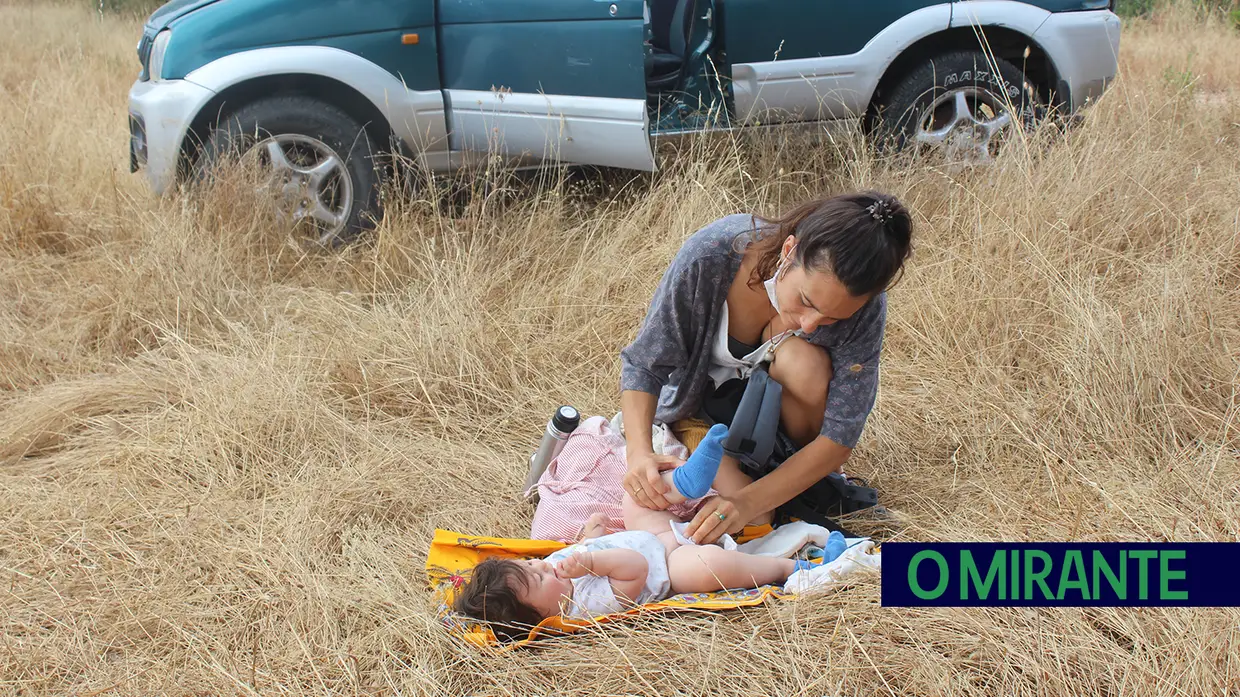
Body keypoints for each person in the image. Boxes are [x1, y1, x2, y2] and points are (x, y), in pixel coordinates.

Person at [618, 191, 914, 545]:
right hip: (703, 415)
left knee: (803, 361)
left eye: (834, 318)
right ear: (789, 251)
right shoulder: (713, 255)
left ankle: (790, 475)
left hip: (785, 432)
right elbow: (644, 363)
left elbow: (839, 436)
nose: (809, 325)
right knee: (759, 517)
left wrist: (744, 502)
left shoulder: (866, 307)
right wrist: (638, 453)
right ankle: (775, 486)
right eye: (806, 301)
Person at [452, 424, 846, 642]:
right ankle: (781, 570)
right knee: (705, 567)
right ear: (544, 617)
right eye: (537, 578)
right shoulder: (586, 606)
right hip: (667, 562)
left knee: (633, 497)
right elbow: (635, 568)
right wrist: (591, 558)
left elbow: (584, 549)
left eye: (532, 564)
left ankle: (684, 483)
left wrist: (589, 538)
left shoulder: (556, 570)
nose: (543, 565)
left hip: (647, 531)